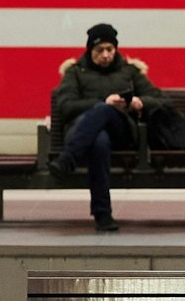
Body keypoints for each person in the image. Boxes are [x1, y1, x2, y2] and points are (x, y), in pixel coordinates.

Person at [52, 24, 166, 233]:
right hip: (84, 131)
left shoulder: (129, 71)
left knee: (104, 113)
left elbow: (159, 99)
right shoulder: (75, 73)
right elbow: (66, 106)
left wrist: (139, 101)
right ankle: (103, 215)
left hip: (122, 131)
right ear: (90, 50)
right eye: (99, 50)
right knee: (99, 142)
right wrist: (102, 102)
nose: (105, 55)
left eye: (110, 50)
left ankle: (68, 159)